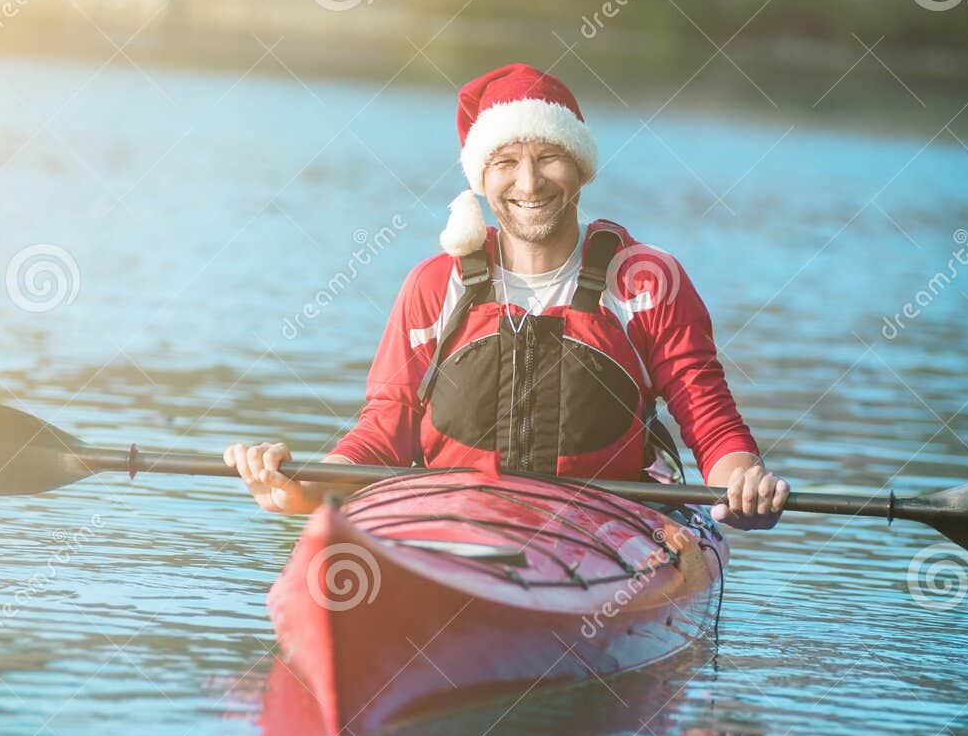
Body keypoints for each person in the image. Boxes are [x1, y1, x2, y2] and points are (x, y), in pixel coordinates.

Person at [226, 63, 787, 530]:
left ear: (581, 168)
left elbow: (711, 425)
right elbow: (385, 429)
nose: (528, 183)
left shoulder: (645, 281)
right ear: (482, 177)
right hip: (453, 526)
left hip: (608, 528)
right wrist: (302, 487)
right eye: (505, 163)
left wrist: (741, 486)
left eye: (548, 157)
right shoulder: (434, 285)